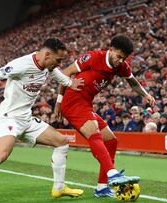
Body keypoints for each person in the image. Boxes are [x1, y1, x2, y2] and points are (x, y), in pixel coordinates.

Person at [0, 38, 85, 203]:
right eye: (58, 60)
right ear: (47, 54)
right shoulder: (22, 64)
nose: (59, 64)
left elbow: (55, 73)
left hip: (26, 119)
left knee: (62, 142)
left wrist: (70, 82)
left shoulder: (48, 66)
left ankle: (59, 188)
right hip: (9, 117)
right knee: (1, 155)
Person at [55, 35, 155, 198]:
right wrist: (59, 102)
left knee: (111, 140)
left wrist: (146, 95)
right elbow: (65, 73)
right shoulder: (93, 57)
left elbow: (133, 82)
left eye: (123, 58)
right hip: (73, 102)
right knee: (95, 133)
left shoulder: (120, 66)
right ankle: (112, 174)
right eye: (119, 57)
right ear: (111, 49)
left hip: (86, 104)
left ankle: (102, 188)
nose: (120, 61)